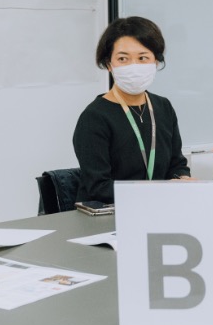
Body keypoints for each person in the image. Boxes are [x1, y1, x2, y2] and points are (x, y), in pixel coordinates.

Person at [73, 17, 193, 203]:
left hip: (159, 207)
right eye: (123, 58)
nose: (134, 66)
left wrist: (183, 180)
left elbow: (177, 164)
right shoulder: (94, 117)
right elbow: (98, 187)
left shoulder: (163, 107)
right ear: (108, 64)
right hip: (109, 217)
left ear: (156, 61)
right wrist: (153, 191)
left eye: (142, 58)